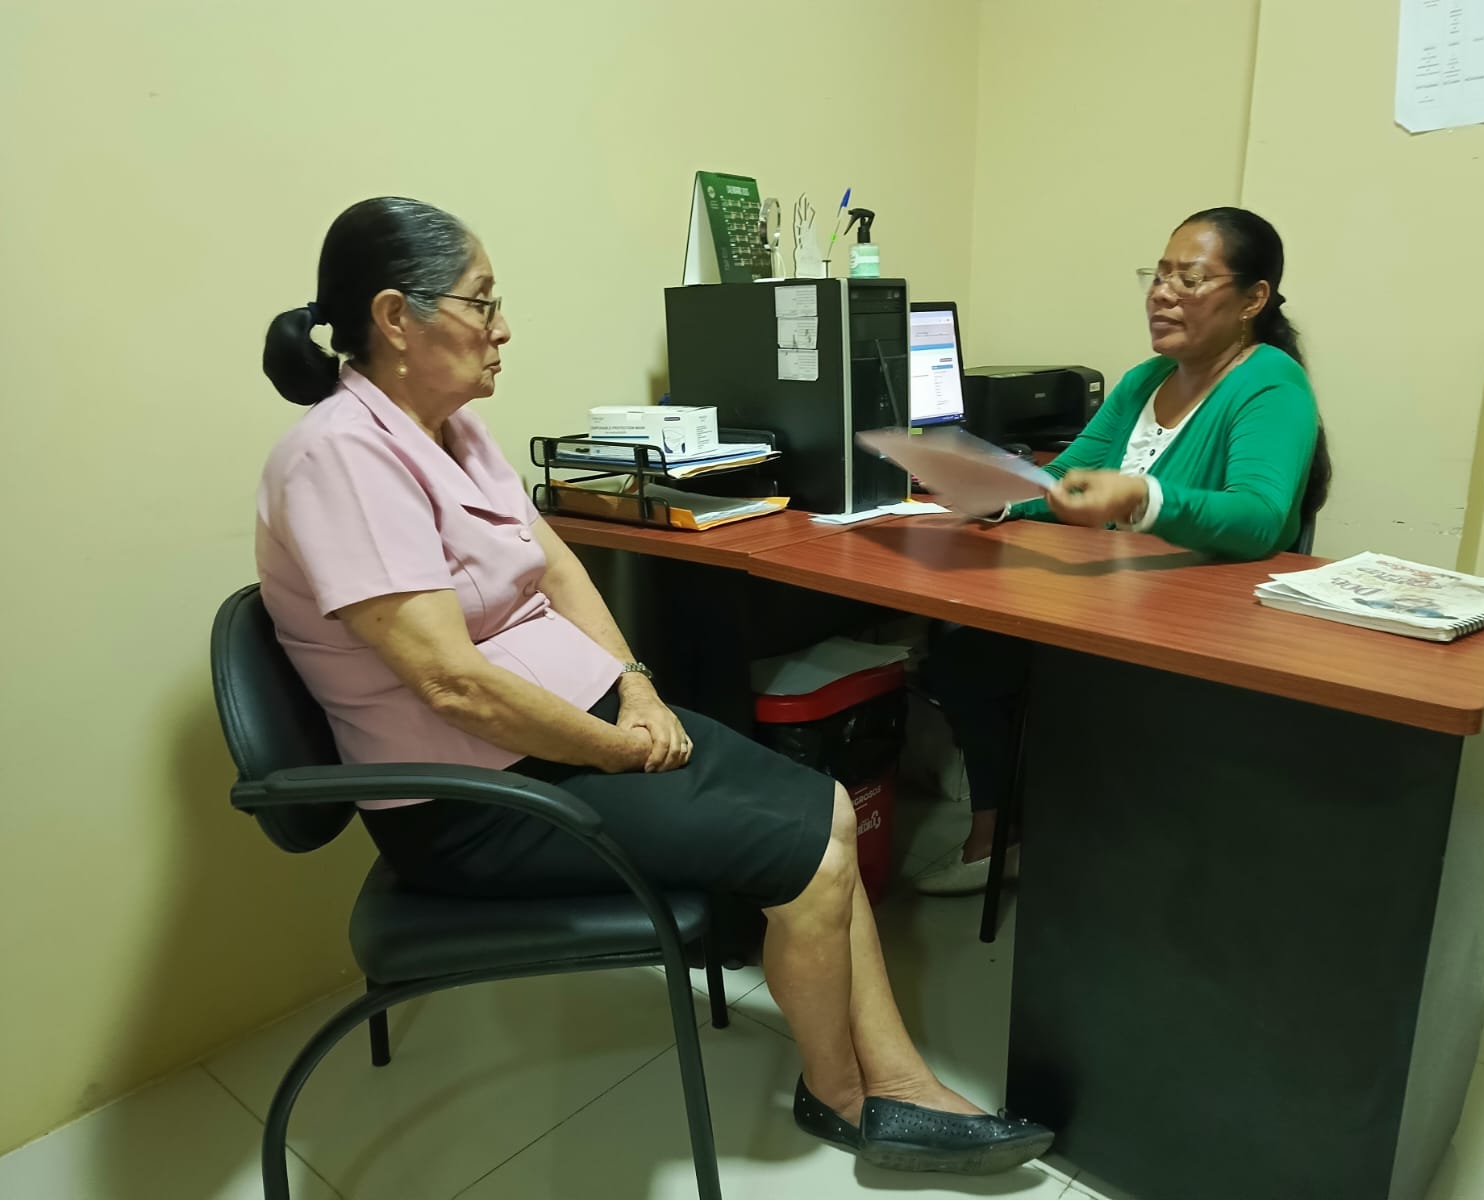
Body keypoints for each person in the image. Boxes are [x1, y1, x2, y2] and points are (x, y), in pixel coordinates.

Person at [255, 197, 1052, 1174]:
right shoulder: (339, 457)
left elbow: (553, 566)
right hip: (476, 800)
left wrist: (635, 686)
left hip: (573, 735)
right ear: (394, 318)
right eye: (482, 302)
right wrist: (615, 749)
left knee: (829, 809)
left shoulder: (451, 430)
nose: (502, 328)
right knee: (809, 856)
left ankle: (895, 1080)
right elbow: (452, 685)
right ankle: (845, 1096)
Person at [917, 206, 1331, 896]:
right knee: (962, 660)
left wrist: (1141, 497)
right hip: (1111, 605)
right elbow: (1064, 478)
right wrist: (997, 497)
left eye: (1190, 279)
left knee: (1017, 672)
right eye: (1158, 275)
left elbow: (1261, 518)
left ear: (1252, 299)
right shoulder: (1145, 379)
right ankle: (1002, 829)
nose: (1162, 294)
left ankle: (1077, 846)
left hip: (1194, 625)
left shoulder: (1271, 383)